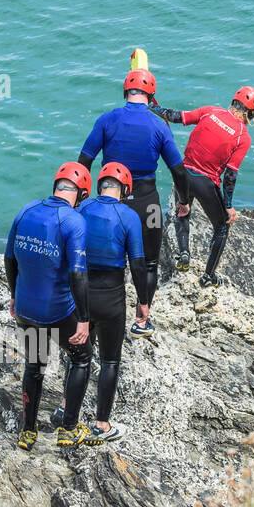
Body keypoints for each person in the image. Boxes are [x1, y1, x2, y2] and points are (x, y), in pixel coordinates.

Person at [77, 68, 189, 337]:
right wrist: (183, 202)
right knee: (149, 263)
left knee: (98, 260)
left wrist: (81, 200)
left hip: (109, 200)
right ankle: (141, 317)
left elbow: (84, 161)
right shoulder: (159, 125)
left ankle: (90, 317)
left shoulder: (107, 120)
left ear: (126, 92)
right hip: (146, 203)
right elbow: (179, 170)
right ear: (151, 96)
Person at [6, 161, 93, 451]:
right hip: (58, 311)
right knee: (81, 357)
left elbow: (10, 258)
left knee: (34, 365)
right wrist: (83, 318)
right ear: (81, 194)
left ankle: (27, 431)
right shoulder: (74, 221)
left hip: (26, 310)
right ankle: (68, 429)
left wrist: (15, 296)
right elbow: (77, 273)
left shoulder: (26, 210)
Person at [150, 86, 254, 287]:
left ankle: (184, 254)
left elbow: (176, 116)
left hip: (182, 173)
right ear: (250, 114)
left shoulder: (211, 111)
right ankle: (208, 276)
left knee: (182, 211)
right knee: (222, 226)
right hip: (205, 182)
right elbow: (230, 176)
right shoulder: (242, 137)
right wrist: (228, 206)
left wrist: (152, 107)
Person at [73, 162, 149, 443]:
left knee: (79, 358)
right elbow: (138, 264)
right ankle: (101, 425)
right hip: (113, 298)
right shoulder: (128, 216)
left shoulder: (82, 209)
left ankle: (69, 413)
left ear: (99, 186)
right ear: (125, 189)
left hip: (81, 297)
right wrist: (143, 302)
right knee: (109, 361)